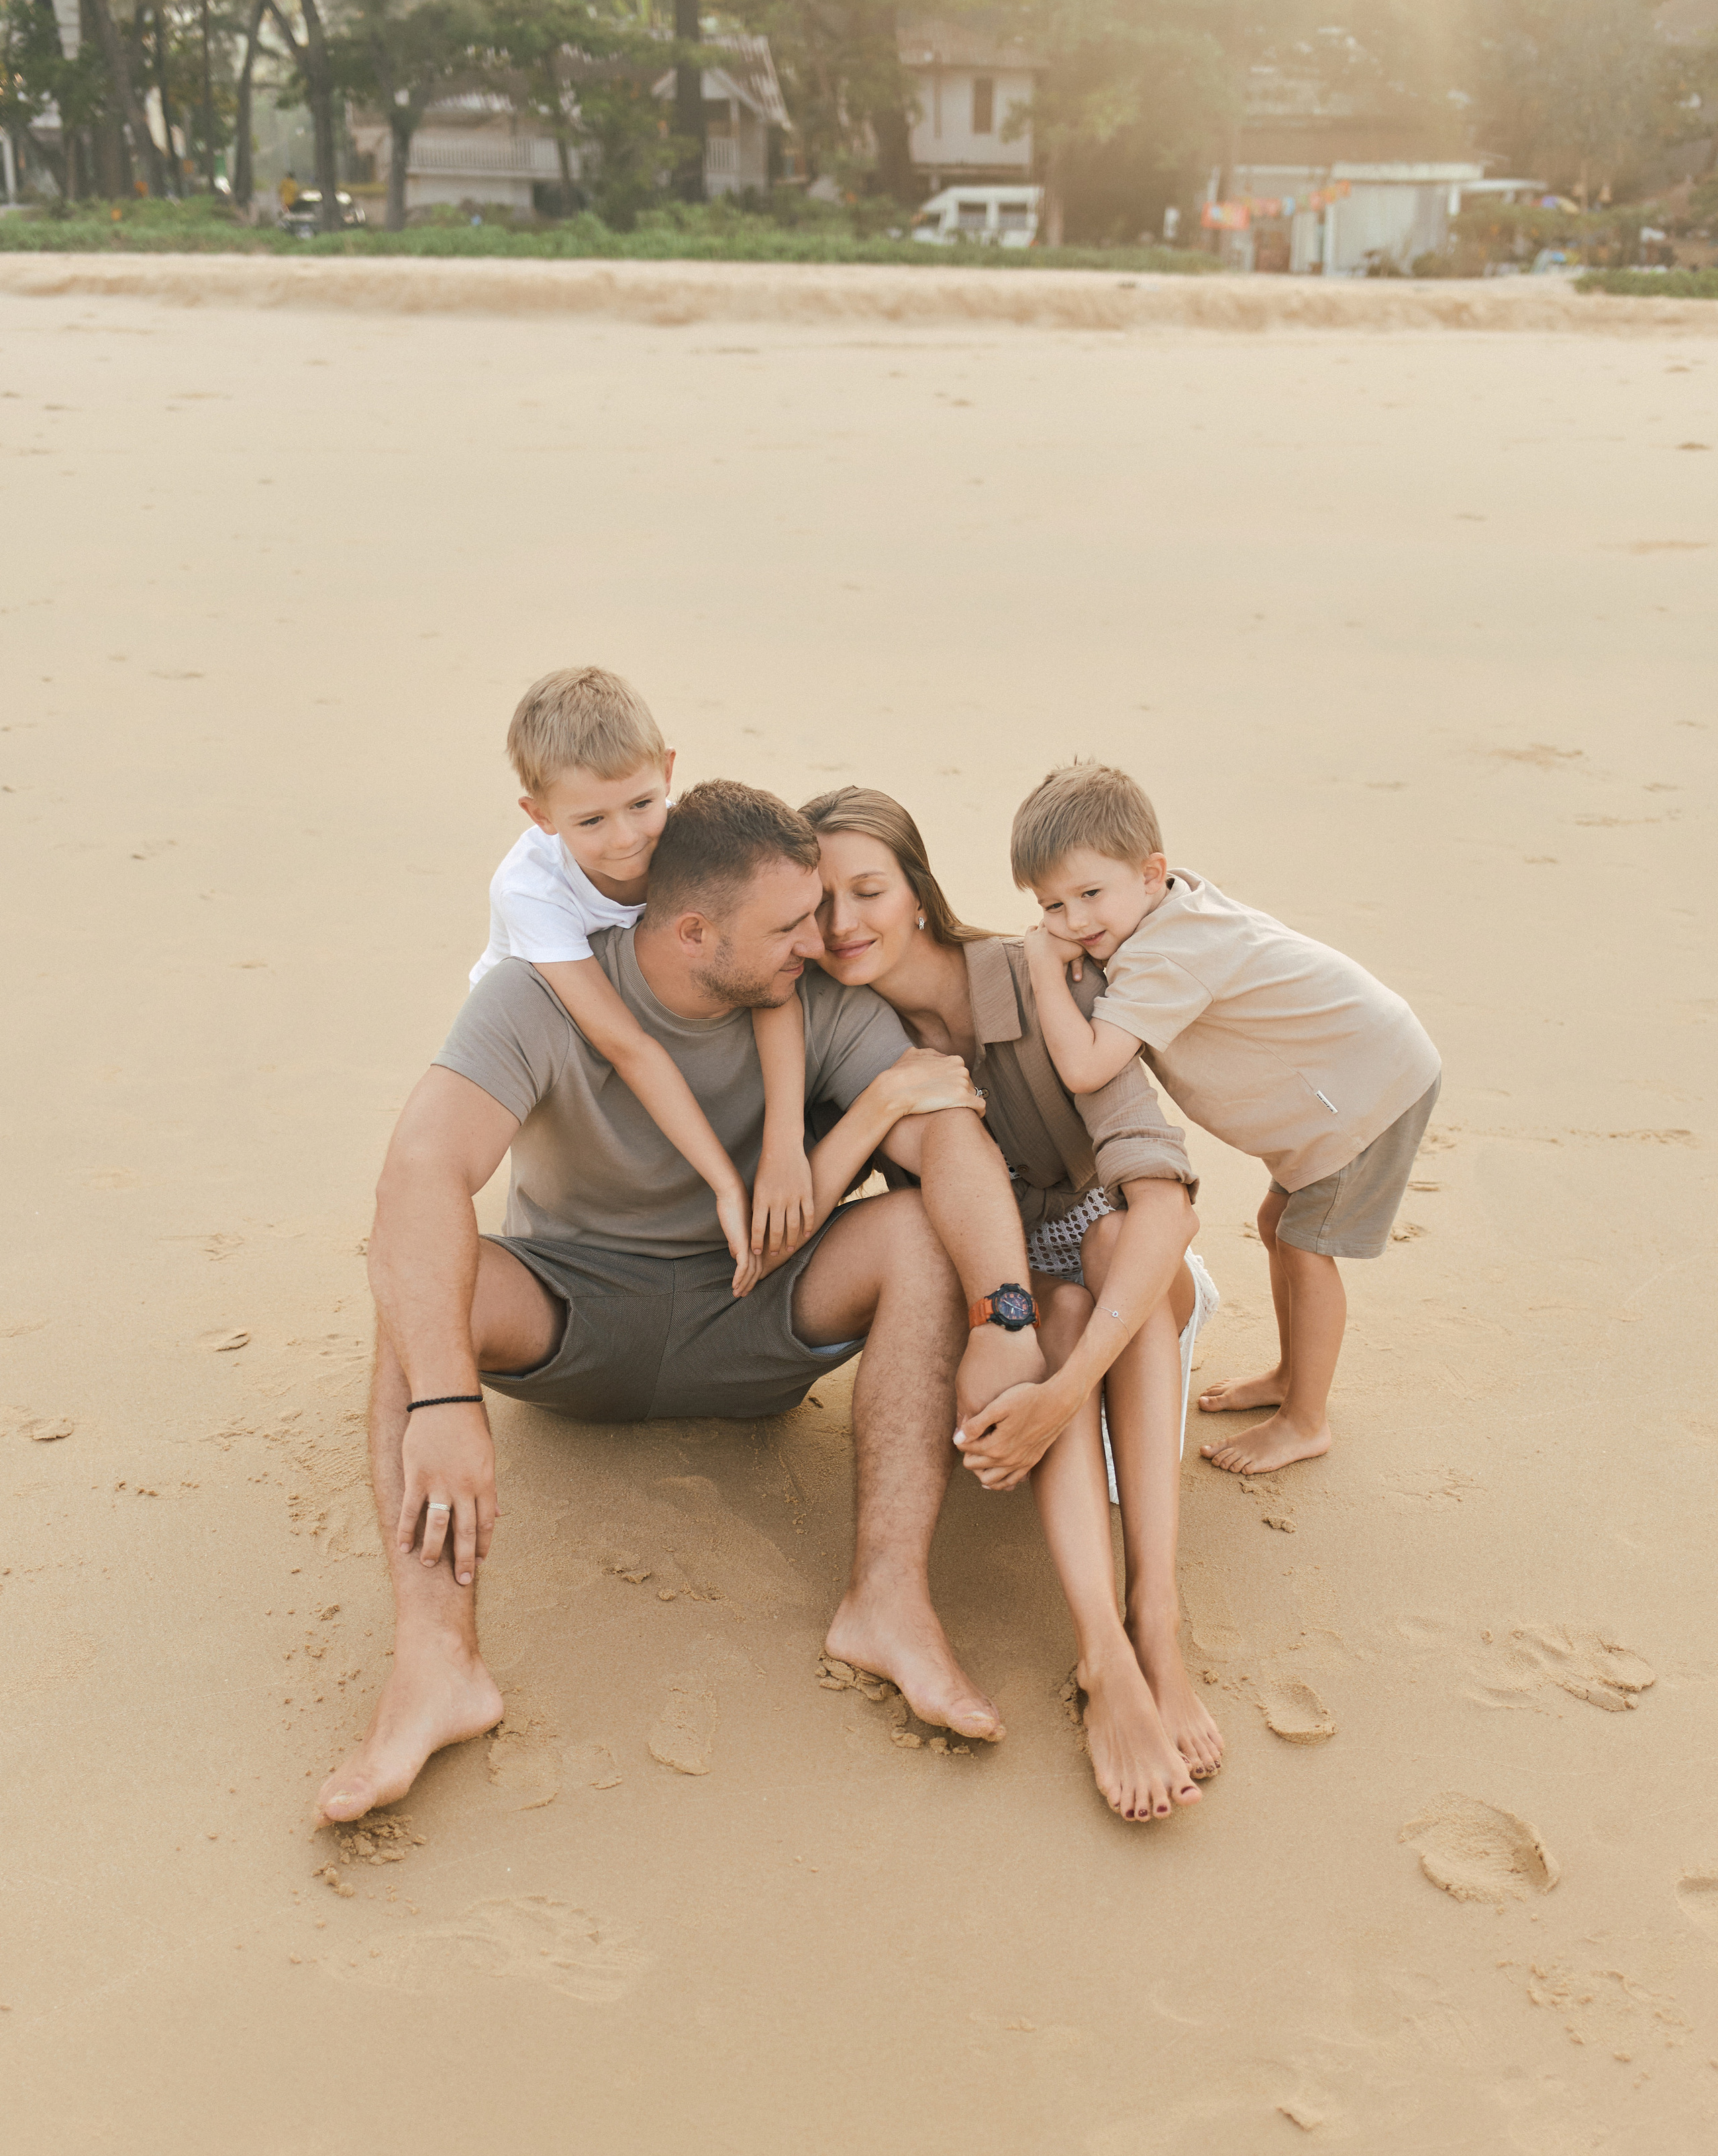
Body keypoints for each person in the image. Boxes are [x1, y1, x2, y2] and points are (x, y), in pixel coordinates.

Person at [317, 782, 1047, 1827]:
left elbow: (950, 1139)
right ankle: (437, 1667)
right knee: (419, 1266)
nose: (824, 938)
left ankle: (887, 1602)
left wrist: (1005, 1316)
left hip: (756, 1320)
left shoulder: (821, 1001)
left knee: (924, 1231)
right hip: (571, 1315)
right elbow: (421, 1175)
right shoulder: (541, 998)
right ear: (696, 930)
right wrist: (444, 1402)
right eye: (792, 924)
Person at [802, 787, 1221, 1824]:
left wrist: (1061, 1391)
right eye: (818, 905)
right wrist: (881, 1105)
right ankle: (1104, 1656)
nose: (845, 923)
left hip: (1130, 1285)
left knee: (1111, 1248)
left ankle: (1157, 1617)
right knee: (1053, 1308)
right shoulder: (835, 1037)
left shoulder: (1040, 976)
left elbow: (1166, 1204)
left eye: (868, 890)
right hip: (1014, 1307)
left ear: (918, 890)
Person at [1015, 762, 1442, 1477]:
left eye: (1090, 894)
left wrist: (1037, 964)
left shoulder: (1166, 953)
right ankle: (1289, 1377)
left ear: (1151, 874)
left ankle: (1305, 1420)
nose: (1073, 922)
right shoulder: (1167, 912)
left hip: (1368, 1089)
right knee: (1281, 1225)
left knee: (1305, 1246)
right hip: (1351, 1072)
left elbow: (1086, 1066)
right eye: (1050, 906)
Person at [471, 666, 813, 1292]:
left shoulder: (688, 840)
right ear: (539, 814)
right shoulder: (531, 889)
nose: (628, 839)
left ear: (668, 771)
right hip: (554, 1027)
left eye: (641, 804)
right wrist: (724, 1184)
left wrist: (784, 1146)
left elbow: (772, 990)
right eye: (591, 822)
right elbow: (626, 1045)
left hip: (652, 1003)